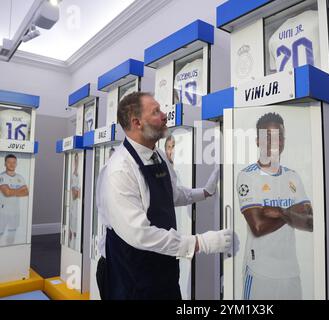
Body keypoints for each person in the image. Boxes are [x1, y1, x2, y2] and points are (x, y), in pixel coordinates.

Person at [96, 92, 231, 300]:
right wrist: (199, 243)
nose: (164, 115)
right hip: (129, 275)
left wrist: (205, 192)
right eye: (156, 111)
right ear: (136, 122)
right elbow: (139, 233)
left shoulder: (157, 155)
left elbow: (173, 194)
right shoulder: (119, 170)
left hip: (162, 268)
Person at [236, 112, 313, 300]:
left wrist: (280, 212)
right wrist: (293, 213)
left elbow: (310, 222)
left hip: (290, 272)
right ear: (257, 141)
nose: (275, 142)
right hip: (260, 272)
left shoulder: (292, 176)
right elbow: (258, 226)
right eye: (268, 137)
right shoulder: (247, 176)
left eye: (279, 136)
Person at [0, 154, 29, 245]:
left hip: (15, 212)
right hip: (3, 213)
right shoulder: (2, 177)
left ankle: (10, 255)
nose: (12, 164)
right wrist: (19, 189)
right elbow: (7, 193)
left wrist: (12, 191)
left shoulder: (20, 177)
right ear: (5, 164)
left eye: (14, 162)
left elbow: (26, 192)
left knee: (11, 237)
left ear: (16, 164)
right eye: (9, 162)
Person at [69, 152, 81, 250]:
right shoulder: (73, 175)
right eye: (75, 159)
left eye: (78, 159)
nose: (76, 161)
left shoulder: (81, 174)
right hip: (75, 205)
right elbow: (74, 195)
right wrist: (78, 191)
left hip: (79, 205)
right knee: (73, 228)